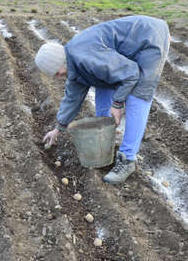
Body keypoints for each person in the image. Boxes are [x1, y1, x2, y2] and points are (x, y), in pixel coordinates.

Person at [35, 15, 170, 184]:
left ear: (61, 62)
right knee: (104, 85)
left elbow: (131, 73)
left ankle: (127, 160)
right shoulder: (73, 64)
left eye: (56, 73)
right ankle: (104, 143)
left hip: (148, 37)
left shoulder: (86, 57)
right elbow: (72, 98)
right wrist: (58, 128)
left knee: (139, 95)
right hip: (130, 43)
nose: (57, 77)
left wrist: (118, 103)